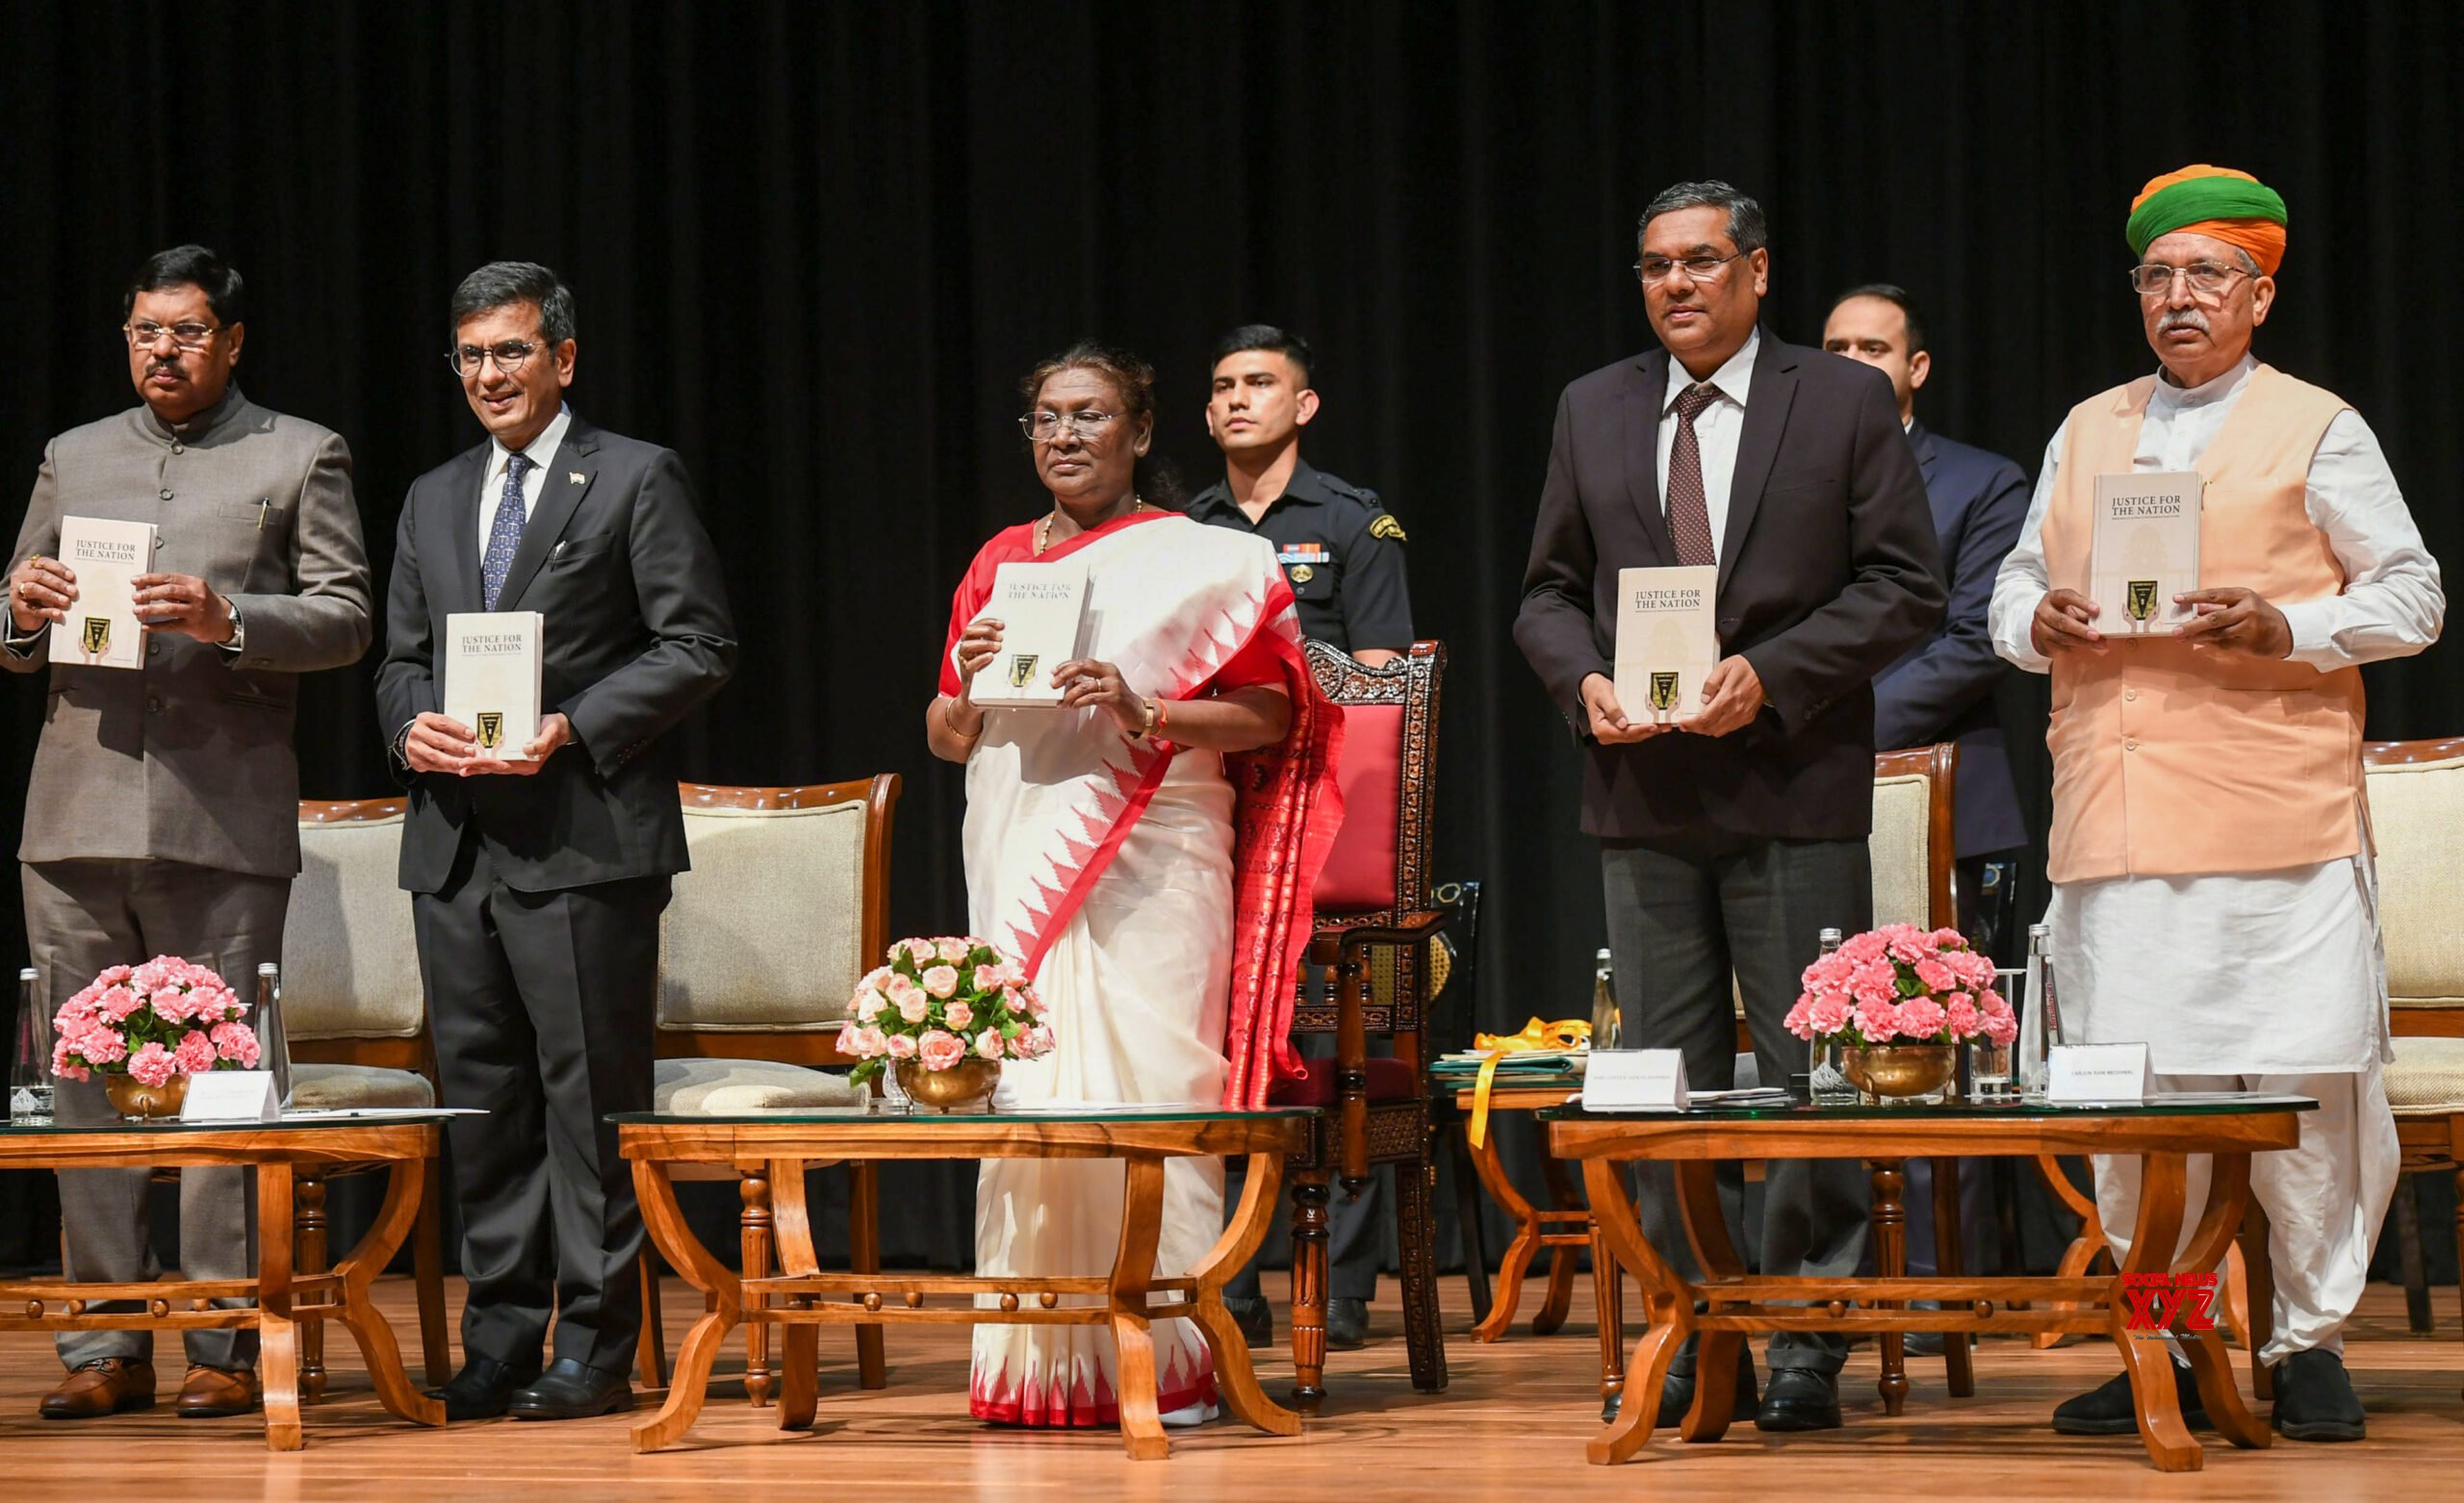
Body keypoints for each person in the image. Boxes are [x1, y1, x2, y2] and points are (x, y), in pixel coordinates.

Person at [1989, 165, 2443, 1442]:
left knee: (2298, 1093)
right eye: (2157, 277)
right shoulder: (2086, 429)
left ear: (2261, 294)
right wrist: (2041, 616)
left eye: (2206, 276)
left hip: (2271, 820)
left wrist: (2285, 623)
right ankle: (2171, 1338)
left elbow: (2412, 594)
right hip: (2115, 820)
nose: (2178, 297)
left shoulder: (2318, 426)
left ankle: (2306, 1342)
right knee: (2135, 1102)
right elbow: (2009, 587)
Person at [1515, 181, 1944, 1432]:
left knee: (1813, 1075)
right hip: (1640, 791)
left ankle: (1805, 1338)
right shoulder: (1592, 406)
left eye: (1702, 262)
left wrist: (1774, 676)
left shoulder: (1843, 399)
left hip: (1791, 780)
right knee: (1664, 1081)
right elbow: (1546, 588)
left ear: (1758, 271)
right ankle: (1700, 1329)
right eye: (1655, 267)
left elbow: (1906, 585)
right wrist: (1580, 675)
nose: (1677, 286)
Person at [930, 342, 1342, 1429]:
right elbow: (940, 734)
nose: (1065, 435)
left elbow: (1274, 713)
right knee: (1033, 1091)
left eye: (1090, 415)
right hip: (1019, 841)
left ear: (1141, 433)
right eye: (1048, 418)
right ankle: (1038, 1365)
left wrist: (1142, 707)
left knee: (1155, 1080)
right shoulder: (999, 563)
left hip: (1158, 844)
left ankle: (1171, 1360)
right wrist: (968, 689)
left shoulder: (1207, 559)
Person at [5, 244, 372, 1420]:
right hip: (74, 811)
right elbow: (18, 610)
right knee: (81, 1082)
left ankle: (219, 1343)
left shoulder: (298, 451)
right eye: (144, 331)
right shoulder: (74, 453)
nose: (163, 350)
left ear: (232, 340)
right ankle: (103, 1345)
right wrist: (17, 608)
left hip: (223, 806)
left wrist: (230, 620)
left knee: (219, 1081)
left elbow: (348, 617)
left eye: (187, 331)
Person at [375, 262, 736, 1421]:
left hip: (584, 835)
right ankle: (500, 1335)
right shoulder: (433, 495)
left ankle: (596, 1344)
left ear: (562, 359)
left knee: (588, 1104)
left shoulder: (631, 476)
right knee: (481, 1101)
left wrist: (572, 724)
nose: (491, 374)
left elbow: (698, 643)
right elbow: (395, 657)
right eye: (472, 355)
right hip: (456, 842)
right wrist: (408, 721)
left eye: (513, 351)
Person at [1187, 324, 1410, 1352]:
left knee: (1332, 1043)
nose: (1239, 400)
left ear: (1303, 405)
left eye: (1261, 384)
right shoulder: (1184, 529)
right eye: (1225, 386)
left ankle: (1347, 1283)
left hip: (1322, 808)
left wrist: (1277, 687)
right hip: (1209, 806)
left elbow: (1380, 683)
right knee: (1210, 1035)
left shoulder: (1355, 524)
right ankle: (1224, 1277)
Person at [1822, 283, 2032, 1312]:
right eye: (1835, 346)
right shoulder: (1780, 477)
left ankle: (1968, 1282)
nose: (1854, 360)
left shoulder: (1982, 482)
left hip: (1950, 795)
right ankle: (1830, 1273)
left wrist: (1824, 723)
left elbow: (1974, 639)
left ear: (1915, 369)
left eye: (1875, 346)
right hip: (1797, 800)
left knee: (1963, 1047)